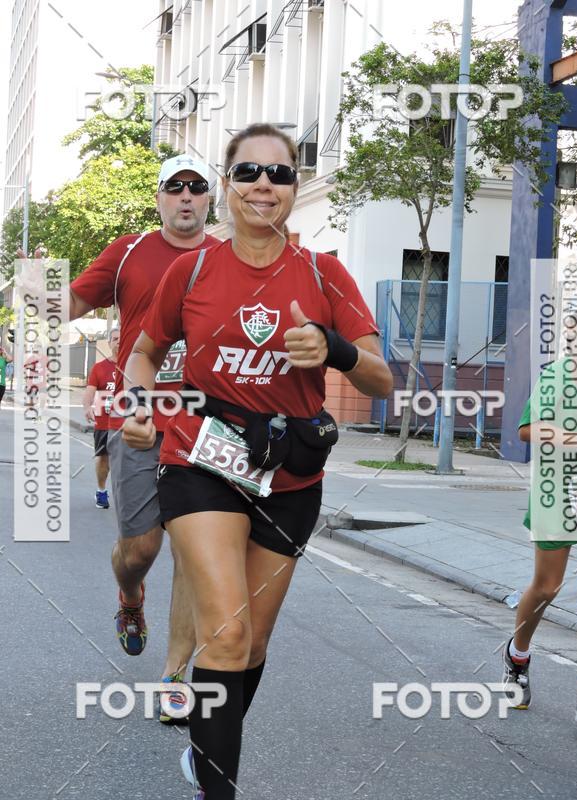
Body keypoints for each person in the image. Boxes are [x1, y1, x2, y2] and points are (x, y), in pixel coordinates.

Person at [122, 123, 393, 799]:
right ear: (227, 186)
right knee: (227, 630)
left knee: (251, 647)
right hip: (202, 458)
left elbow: (382, 381)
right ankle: (219, 786)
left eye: (279, 174)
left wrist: (333, 348)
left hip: (292, 471)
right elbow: (145, 351)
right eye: (248, 173)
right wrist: (137, 404)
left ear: (295, 190)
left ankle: (207, 742)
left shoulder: (324, 273)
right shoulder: (194, 269)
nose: (264, 185)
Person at [68, 155, 220, 716]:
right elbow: (73, 301)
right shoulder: (129, 251)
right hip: (138, 421)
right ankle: (130, 596)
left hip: (205, 424)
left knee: (190, 550)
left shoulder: (225, 257)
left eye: (196, 188)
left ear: (210, 199)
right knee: (141, 549)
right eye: (174, 187)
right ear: (158, 198)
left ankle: (175, 678)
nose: (185, 196)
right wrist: (33, 288)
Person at [503, 289, 577, 725]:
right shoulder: (560, 375)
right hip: (558, 493)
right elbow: (528, 431)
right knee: (547, 588)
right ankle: (518, 657)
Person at [82, 328, 120, 509]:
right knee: (103, 458)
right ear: (109, 342)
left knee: (126, 462)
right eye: (114, 338)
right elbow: (89, 392)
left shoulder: (135, 365)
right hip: (105, 423)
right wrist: (87, 407)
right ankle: (101, 491)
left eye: (121, 338)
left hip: (128, 423)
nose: (118, 341)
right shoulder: (99, 368)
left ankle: (125, 496)